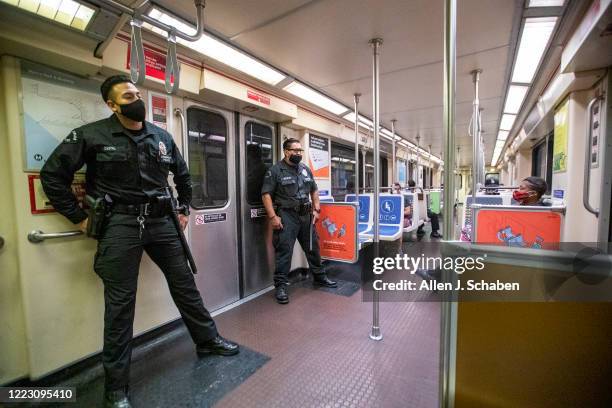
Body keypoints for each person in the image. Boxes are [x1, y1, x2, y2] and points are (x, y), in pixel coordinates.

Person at [40, 75, 239, 408]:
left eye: (136, 92)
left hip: (162, 221)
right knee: (120, 306)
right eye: (128, 95)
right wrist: (79, 218)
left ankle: (208, 340)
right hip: (119, 223)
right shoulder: (91, 135)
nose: (136, 98)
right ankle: (116, 389)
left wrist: (183, 207)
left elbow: (182, 173)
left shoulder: (160, 136)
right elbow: (52, 175)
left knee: (185, 286)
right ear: (112, 104)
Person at [262, 138, 337, 304]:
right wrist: (273, 217)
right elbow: (266, 195)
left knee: (313, 247)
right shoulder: (275, 171)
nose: (298, 153)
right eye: (295, 150)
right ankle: (281, 287)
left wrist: (317, 209)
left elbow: (314, 190)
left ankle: (320, 277)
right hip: (287, 216)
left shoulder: (305, 169)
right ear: (286, 151)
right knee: (284, 252)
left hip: (306, 216)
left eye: (300, 151)